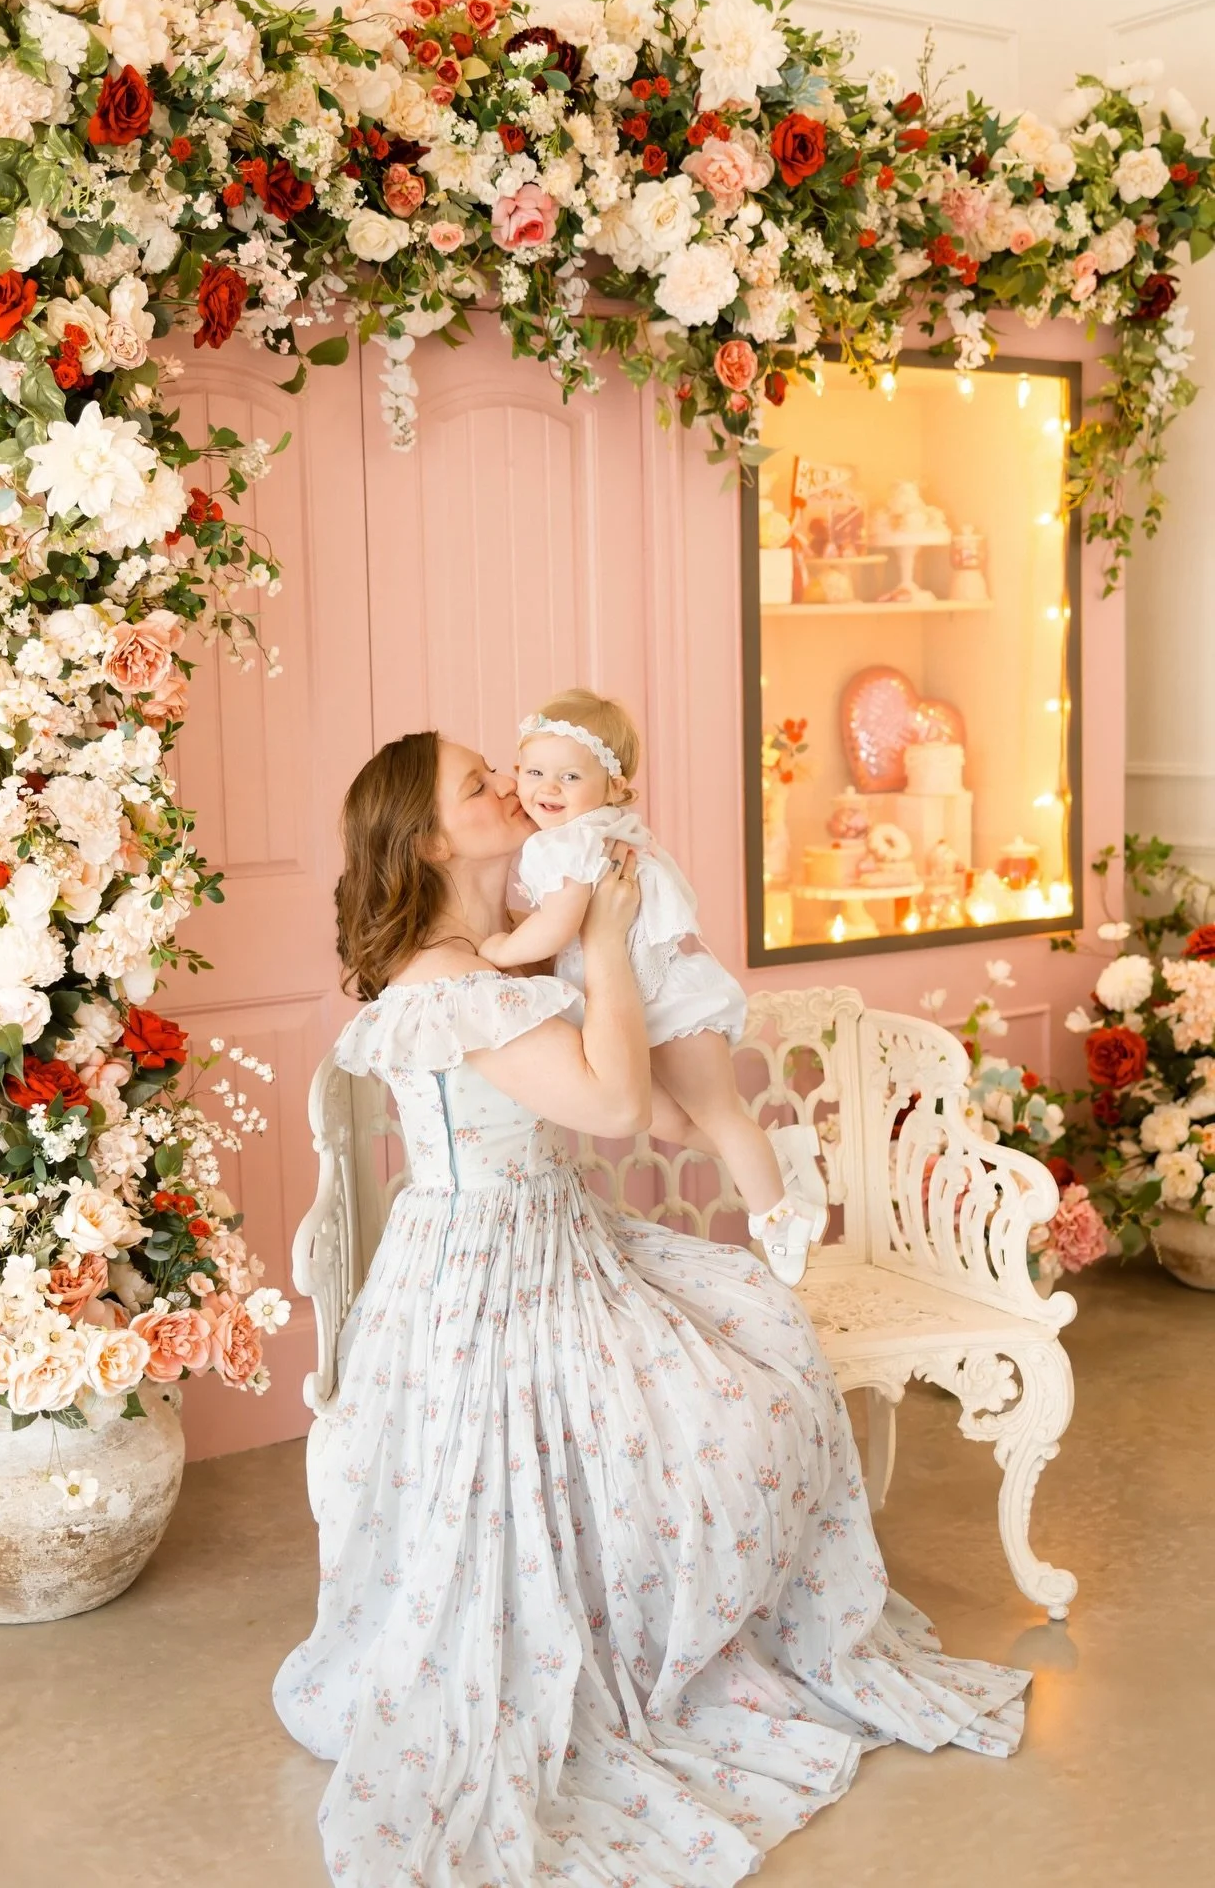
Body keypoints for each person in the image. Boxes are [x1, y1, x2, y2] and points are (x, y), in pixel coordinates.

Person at [274, 730, 1029, 1887]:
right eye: (481, 786)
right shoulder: (455, 982)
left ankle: (695, 1597)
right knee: (723, 1403)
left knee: (746, 1333)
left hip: (538, 1238)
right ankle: (652, 1631)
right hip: (489, 1275)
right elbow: (619, 1100)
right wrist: (611, 938)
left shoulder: (487, 953)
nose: (512, 790)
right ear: (431, 840)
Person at [479, 687, 821, 1282]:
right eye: (534, 772)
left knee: (716, 1112)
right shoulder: (590, 834)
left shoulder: (568, 841)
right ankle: (780, 1154)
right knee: (665, 1119)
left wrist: (500, 949)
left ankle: (779, 1216)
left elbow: (557, 926)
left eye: (569, 776)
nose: (547, 789)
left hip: (668, 998)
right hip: (632, 1006)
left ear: (612, 787)